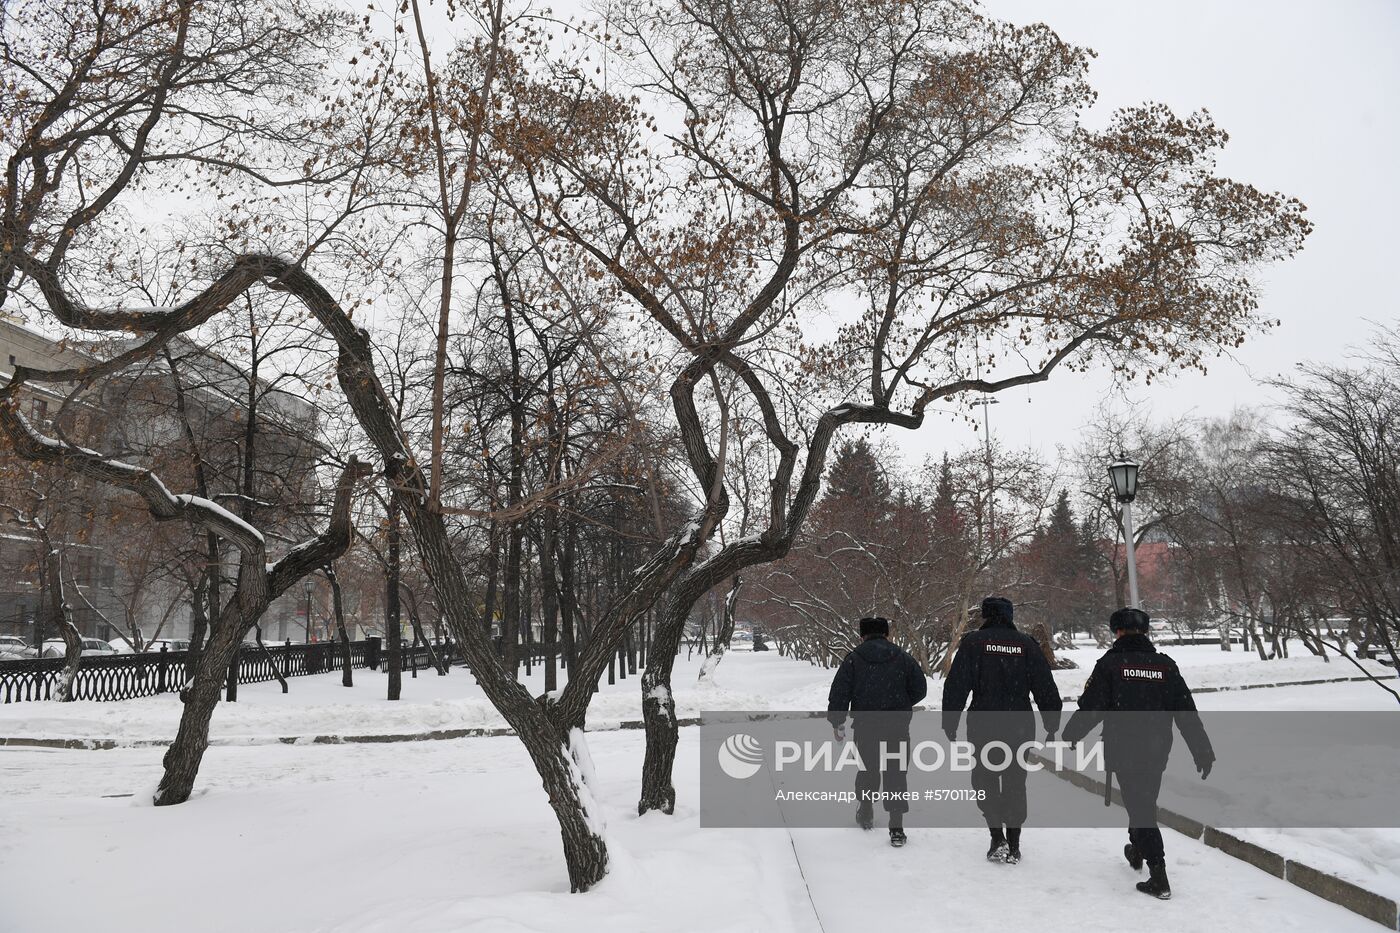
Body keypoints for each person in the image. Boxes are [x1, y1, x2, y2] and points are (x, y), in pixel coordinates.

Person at [1062, 607, 1215, 900]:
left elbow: (1092, 706)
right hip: (1157, 748)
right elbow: (1186, 713)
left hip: (1124, 747)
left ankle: (1158, 875)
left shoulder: (1110, 664)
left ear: (1117, 631)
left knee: (1141, 807)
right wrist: (1202, 751)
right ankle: (1136, 849)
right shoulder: (1165, 666)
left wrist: (1072, 733)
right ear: (1145, 631)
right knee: (1143, 800)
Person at [942, 596, 1063, 864]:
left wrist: (949, 722)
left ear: (985, 615)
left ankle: (997, 836)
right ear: (1010, 616)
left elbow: (956, 685)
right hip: (1019, 725)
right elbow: (1045, 686)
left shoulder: (973, 643)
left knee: (984, 779)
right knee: (1015, 782)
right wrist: (1051, 724)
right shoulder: (1026, 644)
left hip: (983, 723)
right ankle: (1015, 843)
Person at [827, 616, 928, 847]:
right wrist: (902, 702)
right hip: (897, 725)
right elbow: (920, 689)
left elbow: (840, 693)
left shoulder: (854, 659)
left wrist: (837, 722)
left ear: (862, 635)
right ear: (887, 634)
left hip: (866, 725)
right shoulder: (902, 657)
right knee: (896, 772)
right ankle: (897, 826)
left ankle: (865, 809)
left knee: (868, 769)